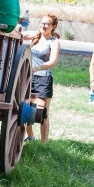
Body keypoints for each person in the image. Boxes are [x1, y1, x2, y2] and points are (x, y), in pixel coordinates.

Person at [22, 14, 61, 143]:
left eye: (47, 24)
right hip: (29, 77)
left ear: (53, 26)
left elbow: (52, 62)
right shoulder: (36, 36)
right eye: (42, 23)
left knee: (42, 111)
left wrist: (36, 68)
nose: (43, 26)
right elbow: (20, 35)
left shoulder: (54, 42)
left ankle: (44, 142)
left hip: (44, 79)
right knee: (28, 108)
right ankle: (31, 136)